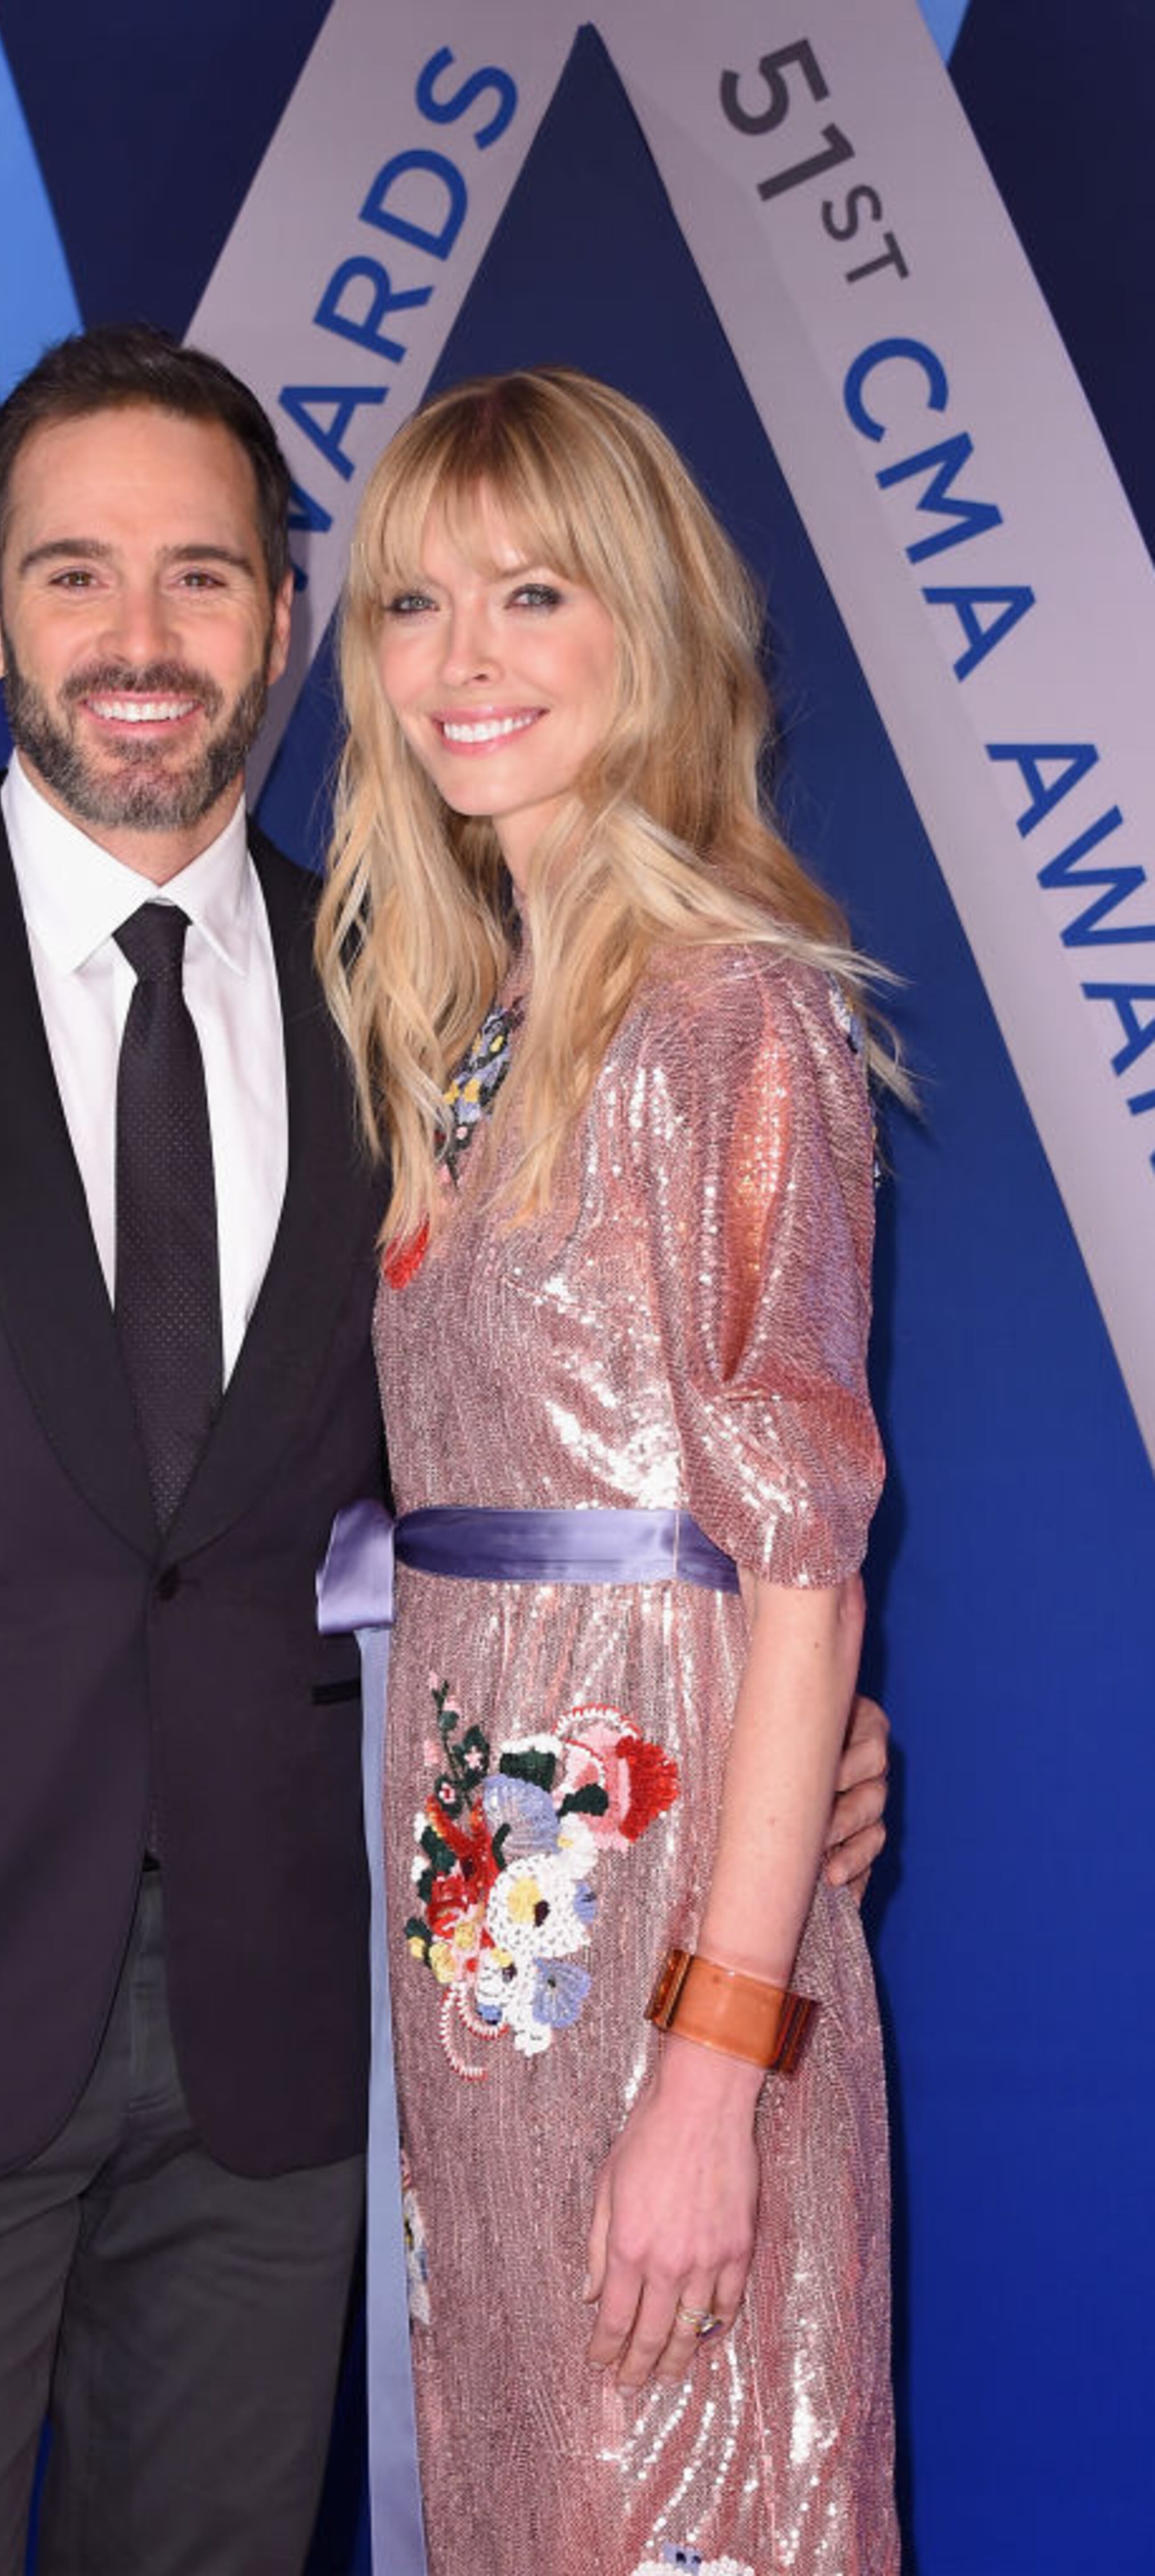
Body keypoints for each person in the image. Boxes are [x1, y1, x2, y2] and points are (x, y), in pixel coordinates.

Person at [0, 327, 892, 2576]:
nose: (143, 637)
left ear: (279, 628)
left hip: (313, 2039)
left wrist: (768, 1764)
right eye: (76, 576)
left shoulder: (412, 991)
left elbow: (609, 1465)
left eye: (204, 577)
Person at [317, 367, 901, 2573]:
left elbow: (798, 1567)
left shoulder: (734, 1009)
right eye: (409, 606)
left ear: (642, 628)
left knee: (696, 2505)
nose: (460, 664)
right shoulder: (460, 1018)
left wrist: (721, 2070)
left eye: (528, 595)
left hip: (661, 1944)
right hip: (488, 1926)